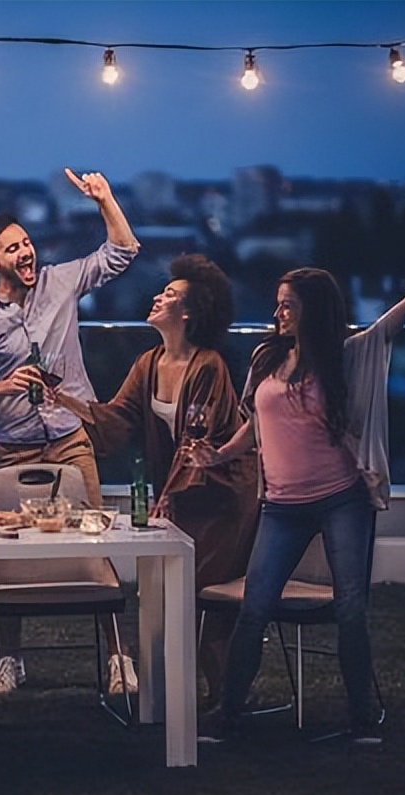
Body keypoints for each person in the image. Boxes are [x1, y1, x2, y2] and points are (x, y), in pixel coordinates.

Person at [192, 221, 405, 744]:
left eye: (288, 304)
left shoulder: (349, 355)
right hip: (282, 505)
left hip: (340, 499)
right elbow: (256, 426)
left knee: (351, 609)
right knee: (255, 608)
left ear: (312, 307)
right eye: (278, 303)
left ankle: (362, 719)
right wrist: (218, 454)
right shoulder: (268, 358)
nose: (278, 312)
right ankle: (227, 716)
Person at [0, 167, 141, 697]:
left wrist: (105, 198)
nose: (26, 252)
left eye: (28, 242)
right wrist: (4, 386)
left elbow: (122, 253)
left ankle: (116, 657)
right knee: (12, 554)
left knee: (94, 539)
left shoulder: (61, 281)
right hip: (12, 446)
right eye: (13, 248)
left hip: (69, 434)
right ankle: (10, 657)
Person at [48, 254, 259, 705]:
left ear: (189, 312)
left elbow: (196, 445)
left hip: (222, 496)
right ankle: (179, 700)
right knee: (170, 595)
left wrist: (165, 502)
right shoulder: (149, 362)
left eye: (169, 295)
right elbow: (116, 418)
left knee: (203, 598)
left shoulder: (209, 367)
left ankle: (223, 701)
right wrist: (60, 398)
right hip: (182, 494)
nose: (158, 297)